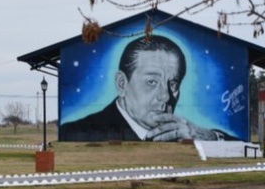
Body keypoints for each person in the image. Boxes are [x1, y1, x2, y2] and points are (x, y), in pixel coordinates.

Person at [59, 35, 234, 142]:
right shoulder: (75, 132)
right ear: (122, 84)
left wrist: (211, 138)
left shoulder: (183, 133)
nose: (165, 97)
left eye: (173, 84)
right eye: (152, 82)